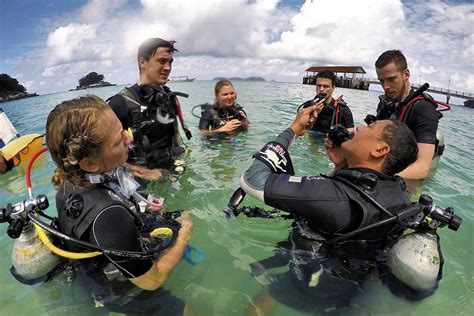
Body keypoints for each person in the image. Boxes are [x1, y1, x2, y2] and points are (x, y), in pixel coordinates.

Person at [239, 104, 424, 313]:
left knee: (268, 291)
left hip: (315, 286)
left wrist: (293, 130)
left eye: (370, 127)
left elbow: (253, 180)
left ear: (380, 150)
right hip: (349, 290)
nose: (360, 127)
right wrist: (341, 167)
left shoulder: (333, 196)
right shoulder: (396, 190)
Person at [46, 95, 193, 315]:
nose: (129, 138)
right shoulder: (108, 215)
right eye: (118, 140)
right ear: (90, 163)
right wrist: (183, 236)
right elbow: (152, 281)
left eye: (123, 129)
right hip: (124, 293)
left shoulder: (70, 179)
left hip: (97, 275)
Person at [107, 38, 189, 180]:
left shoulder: (169, 97)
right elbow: (103, 157)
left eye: (170, 62)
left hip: (172, 173)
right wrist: (142, 172)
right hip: (141, 184)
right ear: (142, 62)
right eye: (162, 61)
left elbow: (174, 136)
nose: (168, 67)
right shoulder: (120, 104)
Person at [374, 49, 440, 180]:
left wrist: (374, 176)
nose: (386, 86)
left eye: (391, 79)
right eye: (381, 81)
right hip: (385, 165)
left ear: (406, 74)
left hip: (407, 179)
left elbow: (421, 169)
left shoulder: (424, 109)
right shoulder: (384, 104)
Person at [300, 70, 353, 135]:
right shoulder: (307, 106)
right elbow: (299, 129)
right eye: (319, 86)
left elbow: (351, 132)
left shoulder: (342, 109)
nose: (321, 89)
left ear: (333, 88)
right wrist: (313, 114)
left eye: (325, 86)